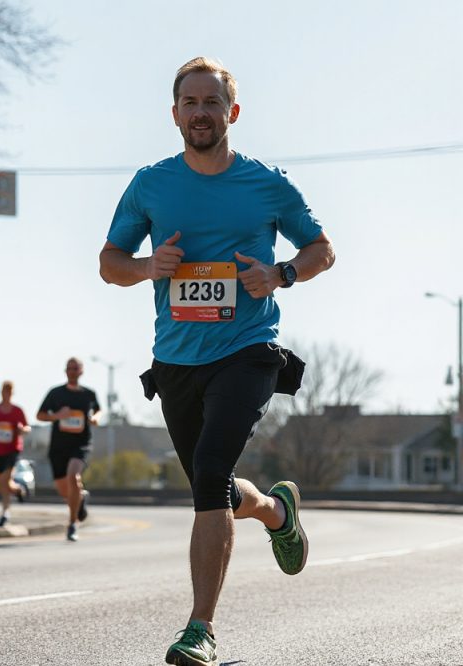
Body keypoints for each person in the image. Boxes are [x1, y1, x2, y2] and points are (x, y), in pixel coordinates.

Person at [99, 56, 335, 666]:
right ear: (174, 113)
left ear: (232, 112)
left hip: (249, 350)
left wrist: (280, 273)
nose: (201, 113)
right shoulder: (151, 184)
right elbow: (109, 264)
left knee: (208, 474)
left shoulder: (266, 183)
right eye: (190, 103)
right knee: (217, 487)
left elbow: (321, 249)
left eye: (212, 103)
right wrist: (148, 267)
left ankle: (199, 629)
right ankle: (277, 511)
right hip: (176, 359)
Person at [36, 358, 101, 542]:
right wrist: (57, 415)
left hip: (81, 444)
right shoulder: (56, 393)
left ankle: (72, 524)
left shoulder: (89, 394)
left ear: (81, 371)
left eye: (76, 368)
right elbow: (39, 415)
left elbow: (98, 410)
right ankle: (80, 500)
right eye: (69, 368)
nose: (72, 371)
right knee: (65, 491)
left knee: (73, 476)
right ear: (65, 371)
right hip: (58, 446)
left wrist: (95, 417)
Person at [0, 380, 31, 527]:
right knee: (1, 483)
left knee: (5, 478)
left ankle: (5, 512)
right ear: (1, 392)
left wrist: (23, 430)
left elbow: (27, 426)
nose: (7, 394)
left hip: (12, 449)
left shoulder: (17, 411)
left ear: (12, 393)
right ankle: (18, 490)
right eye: (4, 391)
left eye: (9, 391)